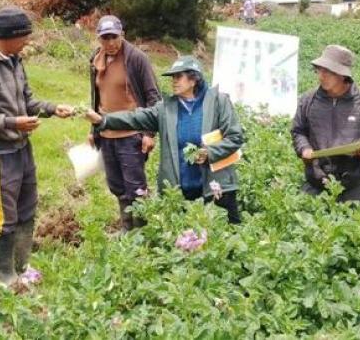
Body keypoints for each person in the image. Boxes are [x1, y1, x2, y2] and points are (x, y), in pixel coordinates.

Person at [0, 6, 73, 287]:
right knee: (2, 215)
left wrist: (51, 108)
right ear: (7, 36)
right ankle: (5, 275)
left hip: (22, 149)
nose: (27, 43)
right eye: (23, 37)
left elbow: (27, 100)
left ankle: (22, 267)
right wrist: (12, 123)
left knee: (26, 208)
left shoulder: (14, 59)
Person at [86, 56, 244, 224]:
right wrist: (102, 120)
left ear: (193, 80)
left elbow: (235, 137)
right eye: (172, 77)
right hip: (181, 191)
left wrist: (210, 153)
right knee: (186, 241)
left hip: (216, 187)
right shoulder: (166, 108)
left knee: (226, 237)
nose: (174, 81)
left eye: (179, 77)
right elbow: (135, 117)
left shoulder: (218, 102)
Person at [291, 45, 360, 206]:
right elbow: (298, 131)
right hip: (316, 181)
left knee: (353, 229)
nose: (321, 76)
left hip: (353, 185)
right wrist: (304, 148)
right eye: (319, 70)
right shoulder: (308, 100)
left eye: (327, 71)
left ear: (342, 75)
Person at [88, 15, 161, 231]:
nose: (110, 43)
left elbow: (154, 98)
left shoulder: (137, 59)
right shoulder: (96, 59)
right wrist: (94, 129)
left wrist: (148, 132)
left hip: (131, 135)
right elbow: (97, 98)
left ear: (123, 35)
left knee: (136, 188)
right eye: (105, 38)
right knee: (117, 186)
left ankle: (142, 232)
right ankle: (126, 228)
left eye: (114, 37)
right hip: (107, 134)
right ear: (99, 39)